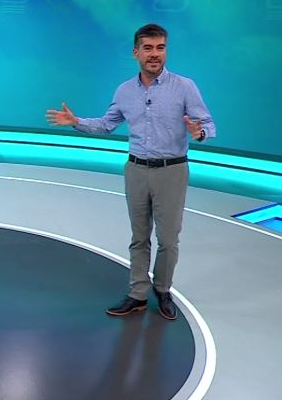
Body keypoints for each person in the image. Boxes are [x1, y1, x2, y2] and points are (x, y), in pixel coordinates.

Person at [46, 23, 216, 321]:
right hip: (136, 170)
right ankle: (137, 294)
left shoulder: (184, 87)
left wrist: (198, 132)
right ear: (136, 52)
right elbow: (106, 124)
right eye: (148, 48)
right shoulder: (124, 91)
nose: (155, 54)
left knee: (168, 239)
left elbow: (209, 125)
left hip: (172, 171)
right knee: (139, 237)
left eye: (160, 48)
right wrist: (76, 122)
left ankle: (162, 290)